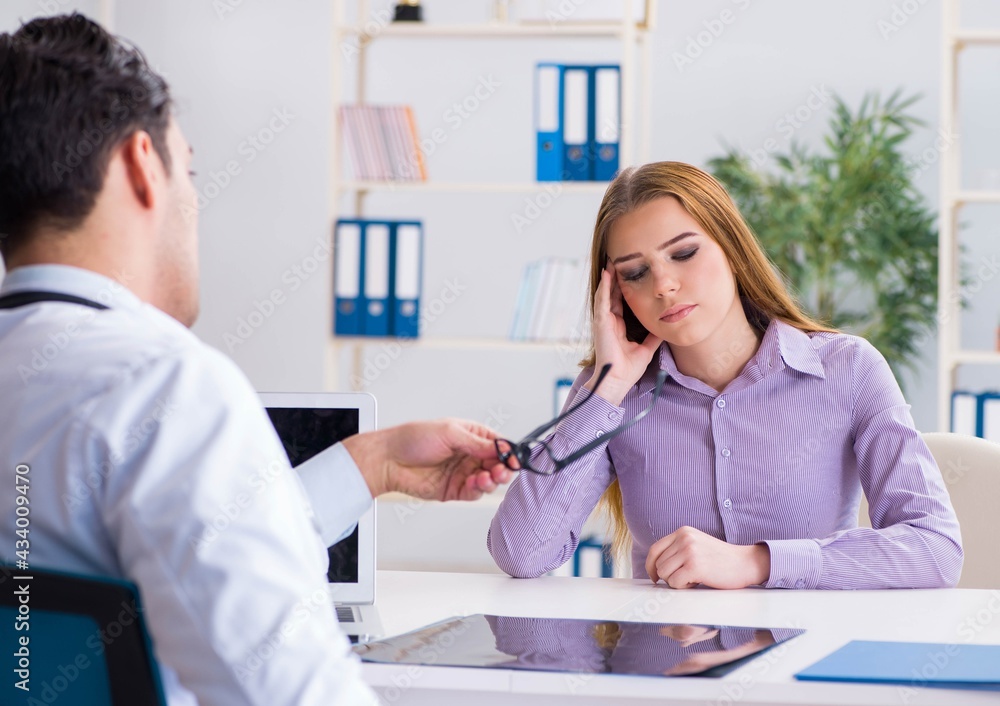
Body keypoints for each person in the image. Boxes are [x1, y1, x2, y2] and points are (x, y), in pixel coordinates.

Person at [0, 14, 511, 705]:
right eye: (191, 168)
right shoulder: (163, 387)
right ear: (140, 164)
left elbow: (175, 556)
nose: (195, 198)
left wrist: (373, 464)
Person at [488, 161, 963, 590]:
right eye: (635, 273)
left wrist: (758, 563)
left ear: (732, 248)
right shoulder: (612, 395)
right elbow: (521, 554)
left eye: (684, 253)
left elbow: (936, 550)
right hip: (665, 669)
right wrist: (606, 387)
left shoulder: (848, 369)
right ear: (615, 294)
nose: (664, 285)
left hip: (799, 668)